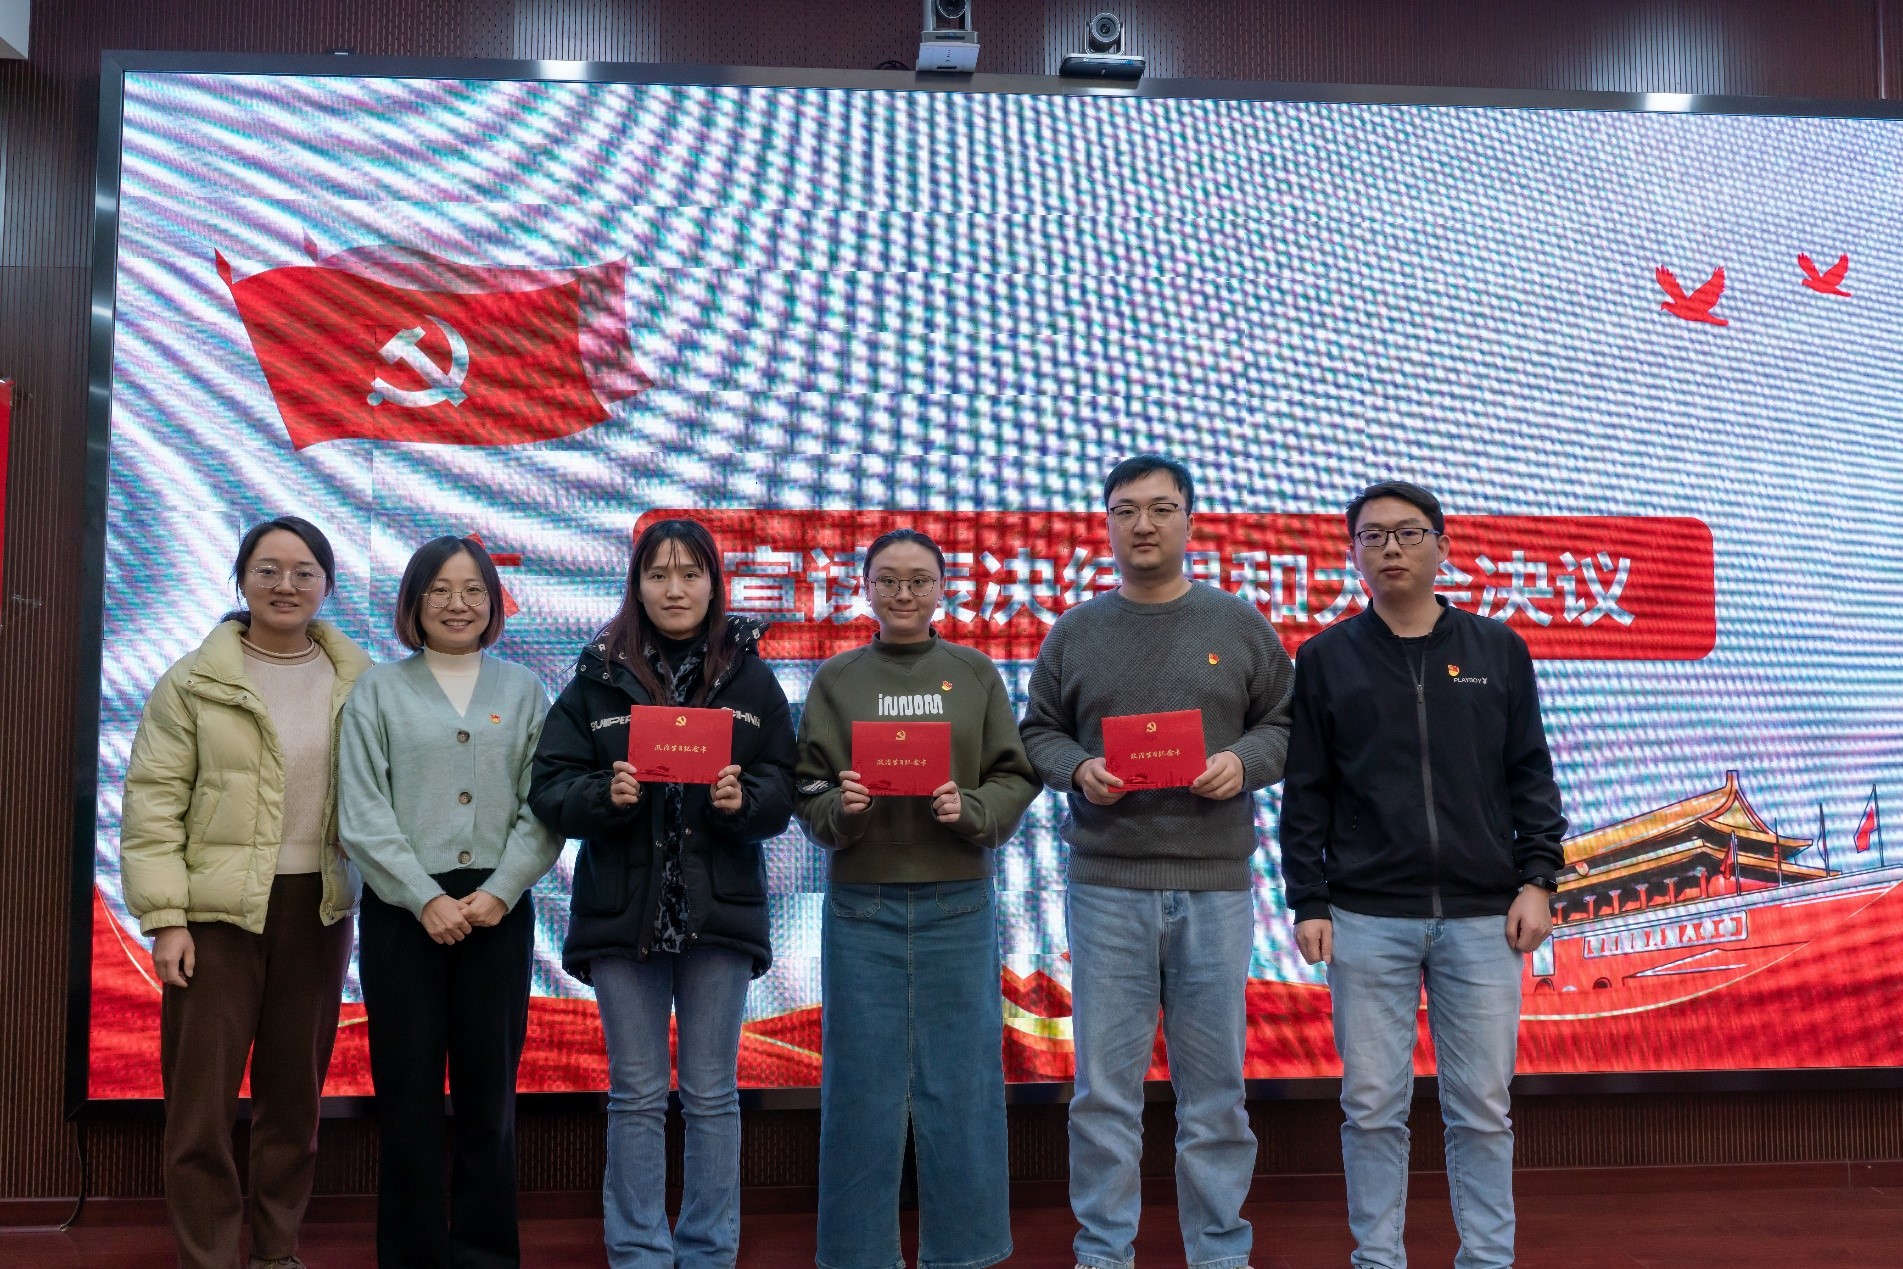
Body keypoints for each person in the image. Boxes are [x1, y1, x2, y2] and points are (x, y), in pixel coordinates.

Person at [1280, 480, 1566, 1269]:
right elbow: (1306, 791)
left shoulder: (1497, 648)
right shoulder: (1325, 657)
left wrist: (1538, 878)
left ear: (1442, 545)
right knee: (1371, 1106)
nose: (1391, 548)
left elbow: (1529, 775)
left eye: (1408, 532)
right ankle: (1377, 1257)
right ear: (1353, 554)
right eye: (1372, 536)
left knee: (1481, 1108)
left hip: (1482, 915)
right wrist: (1308, 898)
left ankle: (1487, 1257)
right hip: (1366, 916)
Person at [1019, 455, 1294, 1269]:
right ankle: (1104, 1250)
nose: (1143, 524)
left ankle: (1219, 1249)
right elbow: (1037, 731)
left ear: (1188, 520)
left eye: (1160, 508)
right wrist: (1077, 769)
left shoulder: (1236, 623)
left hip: (1215, 886)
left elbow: (1285, 722)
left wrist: (1242, 761)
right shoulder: (1075, 630)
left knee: (1215, 1093)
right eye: (1125, 510)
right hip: (1106, 884)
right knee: (1104, 1092)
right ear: (1106, 523)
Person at [528, 518, 795, 1269]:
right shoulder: (596, 677)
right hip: (623, 915)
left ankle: (708, 1250)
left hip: (719, 916)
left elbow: (784, 785)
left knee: (711, 1094)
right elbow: (549, 787)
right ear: (636, 586)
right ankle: (639, 1249)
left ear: (713, 584)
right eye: (657, 574)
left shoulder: (751, 678)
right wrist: (603, 794)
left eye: (689, 573)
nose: (674, 589)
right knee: (636, 1094)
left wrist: (744, 799)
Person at [120, 515, 370, 1269]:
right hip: (215, 916)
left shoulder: (361, 684)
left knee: (293, 1101)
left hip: (318, 910)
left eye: (303, 571)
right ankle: (206, 1257)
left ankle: (275, 1252)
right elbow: (153, 802)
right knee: (200, 1106)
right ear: (241, 578)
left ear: (326, 584)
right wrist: (167, 919)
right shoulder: (192, 680)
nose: (285, 584)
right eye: (267, 569)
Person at [794, 527, 1038, 1269]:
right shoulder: (837, 678)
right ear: (865, 588)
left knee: (963, 1087)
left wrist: (972, 808)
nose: (904, 594)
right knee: (858, 1088)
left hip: (958, 903)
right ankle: (855, 1253)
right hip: (860, 905)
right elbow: (807, 787)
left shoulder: (974, 673)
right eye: (888, 580)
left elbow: (1014, 774)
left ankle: (965, 1252)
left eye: (919, 581)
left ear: (941, 590)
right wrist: (843, 808)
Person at [338, 535, 561, 1268]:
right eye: (439, 589)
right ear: (414, 601)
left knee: (488, 1100)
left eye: (472, 590)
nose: (457, 603)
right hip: (404, 914)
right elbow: (361, 811)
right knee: (406, 1100)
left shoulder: (524, 690)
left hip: (497, 913)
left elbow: (543, 806)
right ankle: (411, 1255)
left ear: (494, 602)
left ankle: (485, 1254)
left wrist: (501, 890)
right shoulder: (377, 689)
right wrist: (423, 897)